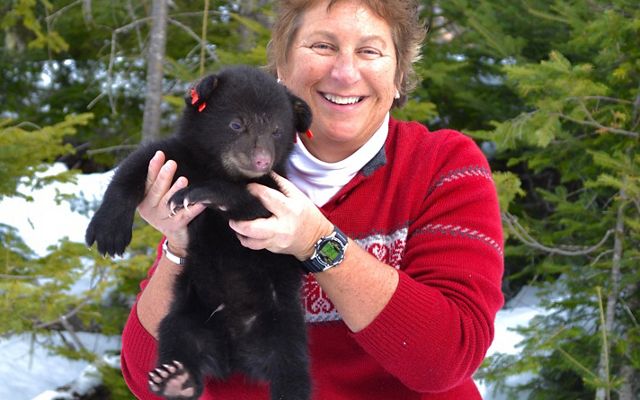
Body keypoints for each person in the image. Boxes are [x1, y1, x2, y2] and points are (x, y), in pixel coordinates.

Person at [120, 0, 504, 399]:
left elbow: (445, 360)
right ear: (282, 68)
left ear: (398, 77)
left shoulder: (440, 166)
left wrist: (317, 243)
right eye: (323, 46)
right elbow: (148, 380)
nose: (344, 72)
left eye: (370, 51)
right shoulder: (224, 167)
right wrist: (180, 248)